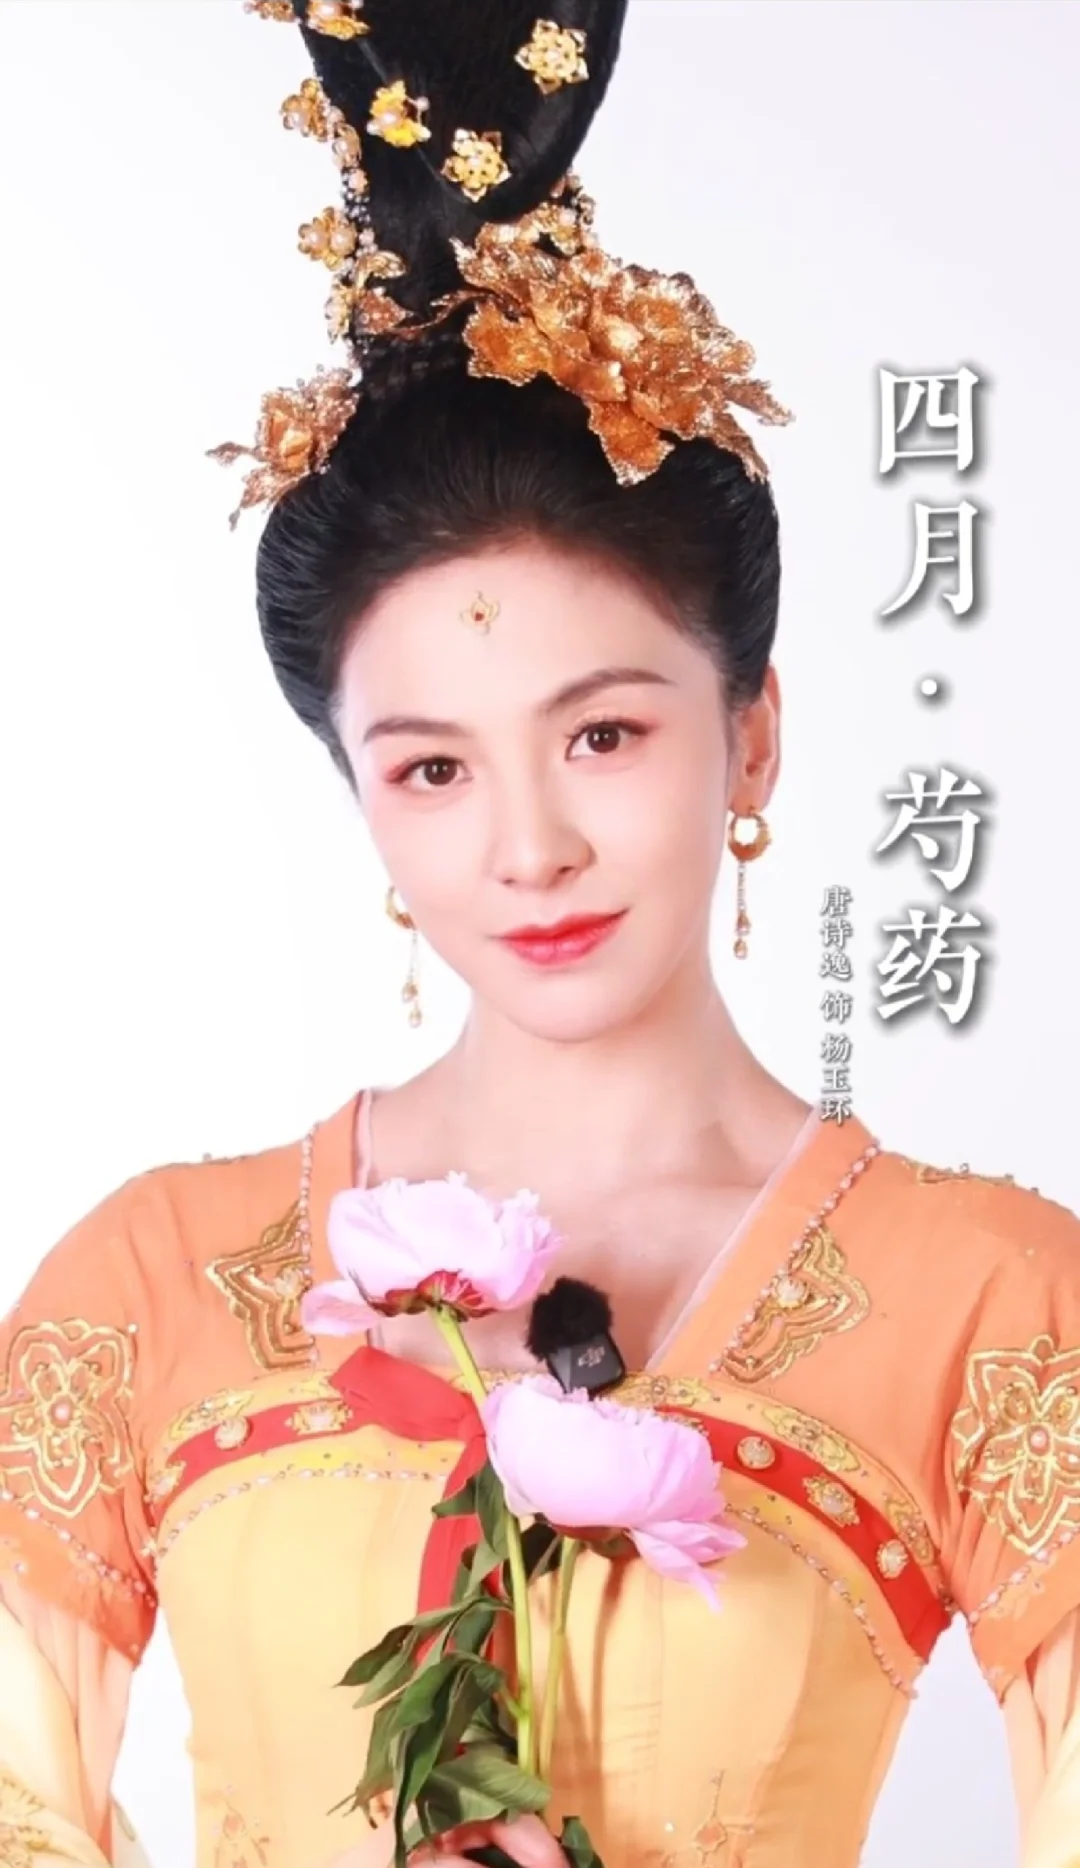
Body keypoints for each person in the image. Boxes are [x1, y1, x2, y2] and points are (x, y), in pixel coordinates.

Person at [1, 3, 1078, 1865]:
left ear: (750, 732)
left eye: (603, 735)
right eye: (431, 768)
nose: (529, 847)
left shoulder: (986, 1303)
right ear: (359, 798)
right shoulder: (153, 1280)